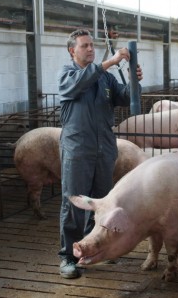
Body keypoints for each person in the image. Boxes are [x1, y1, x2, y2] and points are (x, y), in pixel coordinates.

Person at [57, 29, 143, 279]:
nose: (90, 49)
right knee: (73, 203)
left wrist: (133, 79)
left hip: (104, 148)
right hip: (78, 149)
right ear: (72, 50)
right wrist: (112, 61)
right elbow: (81, 82)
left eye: (92, 45)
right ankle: (67, 256)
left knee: (100, 202)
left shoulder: (105, 79)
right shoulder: (68, 75)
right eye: (84, 46)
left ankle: (92, 250)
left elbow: (126, 98)